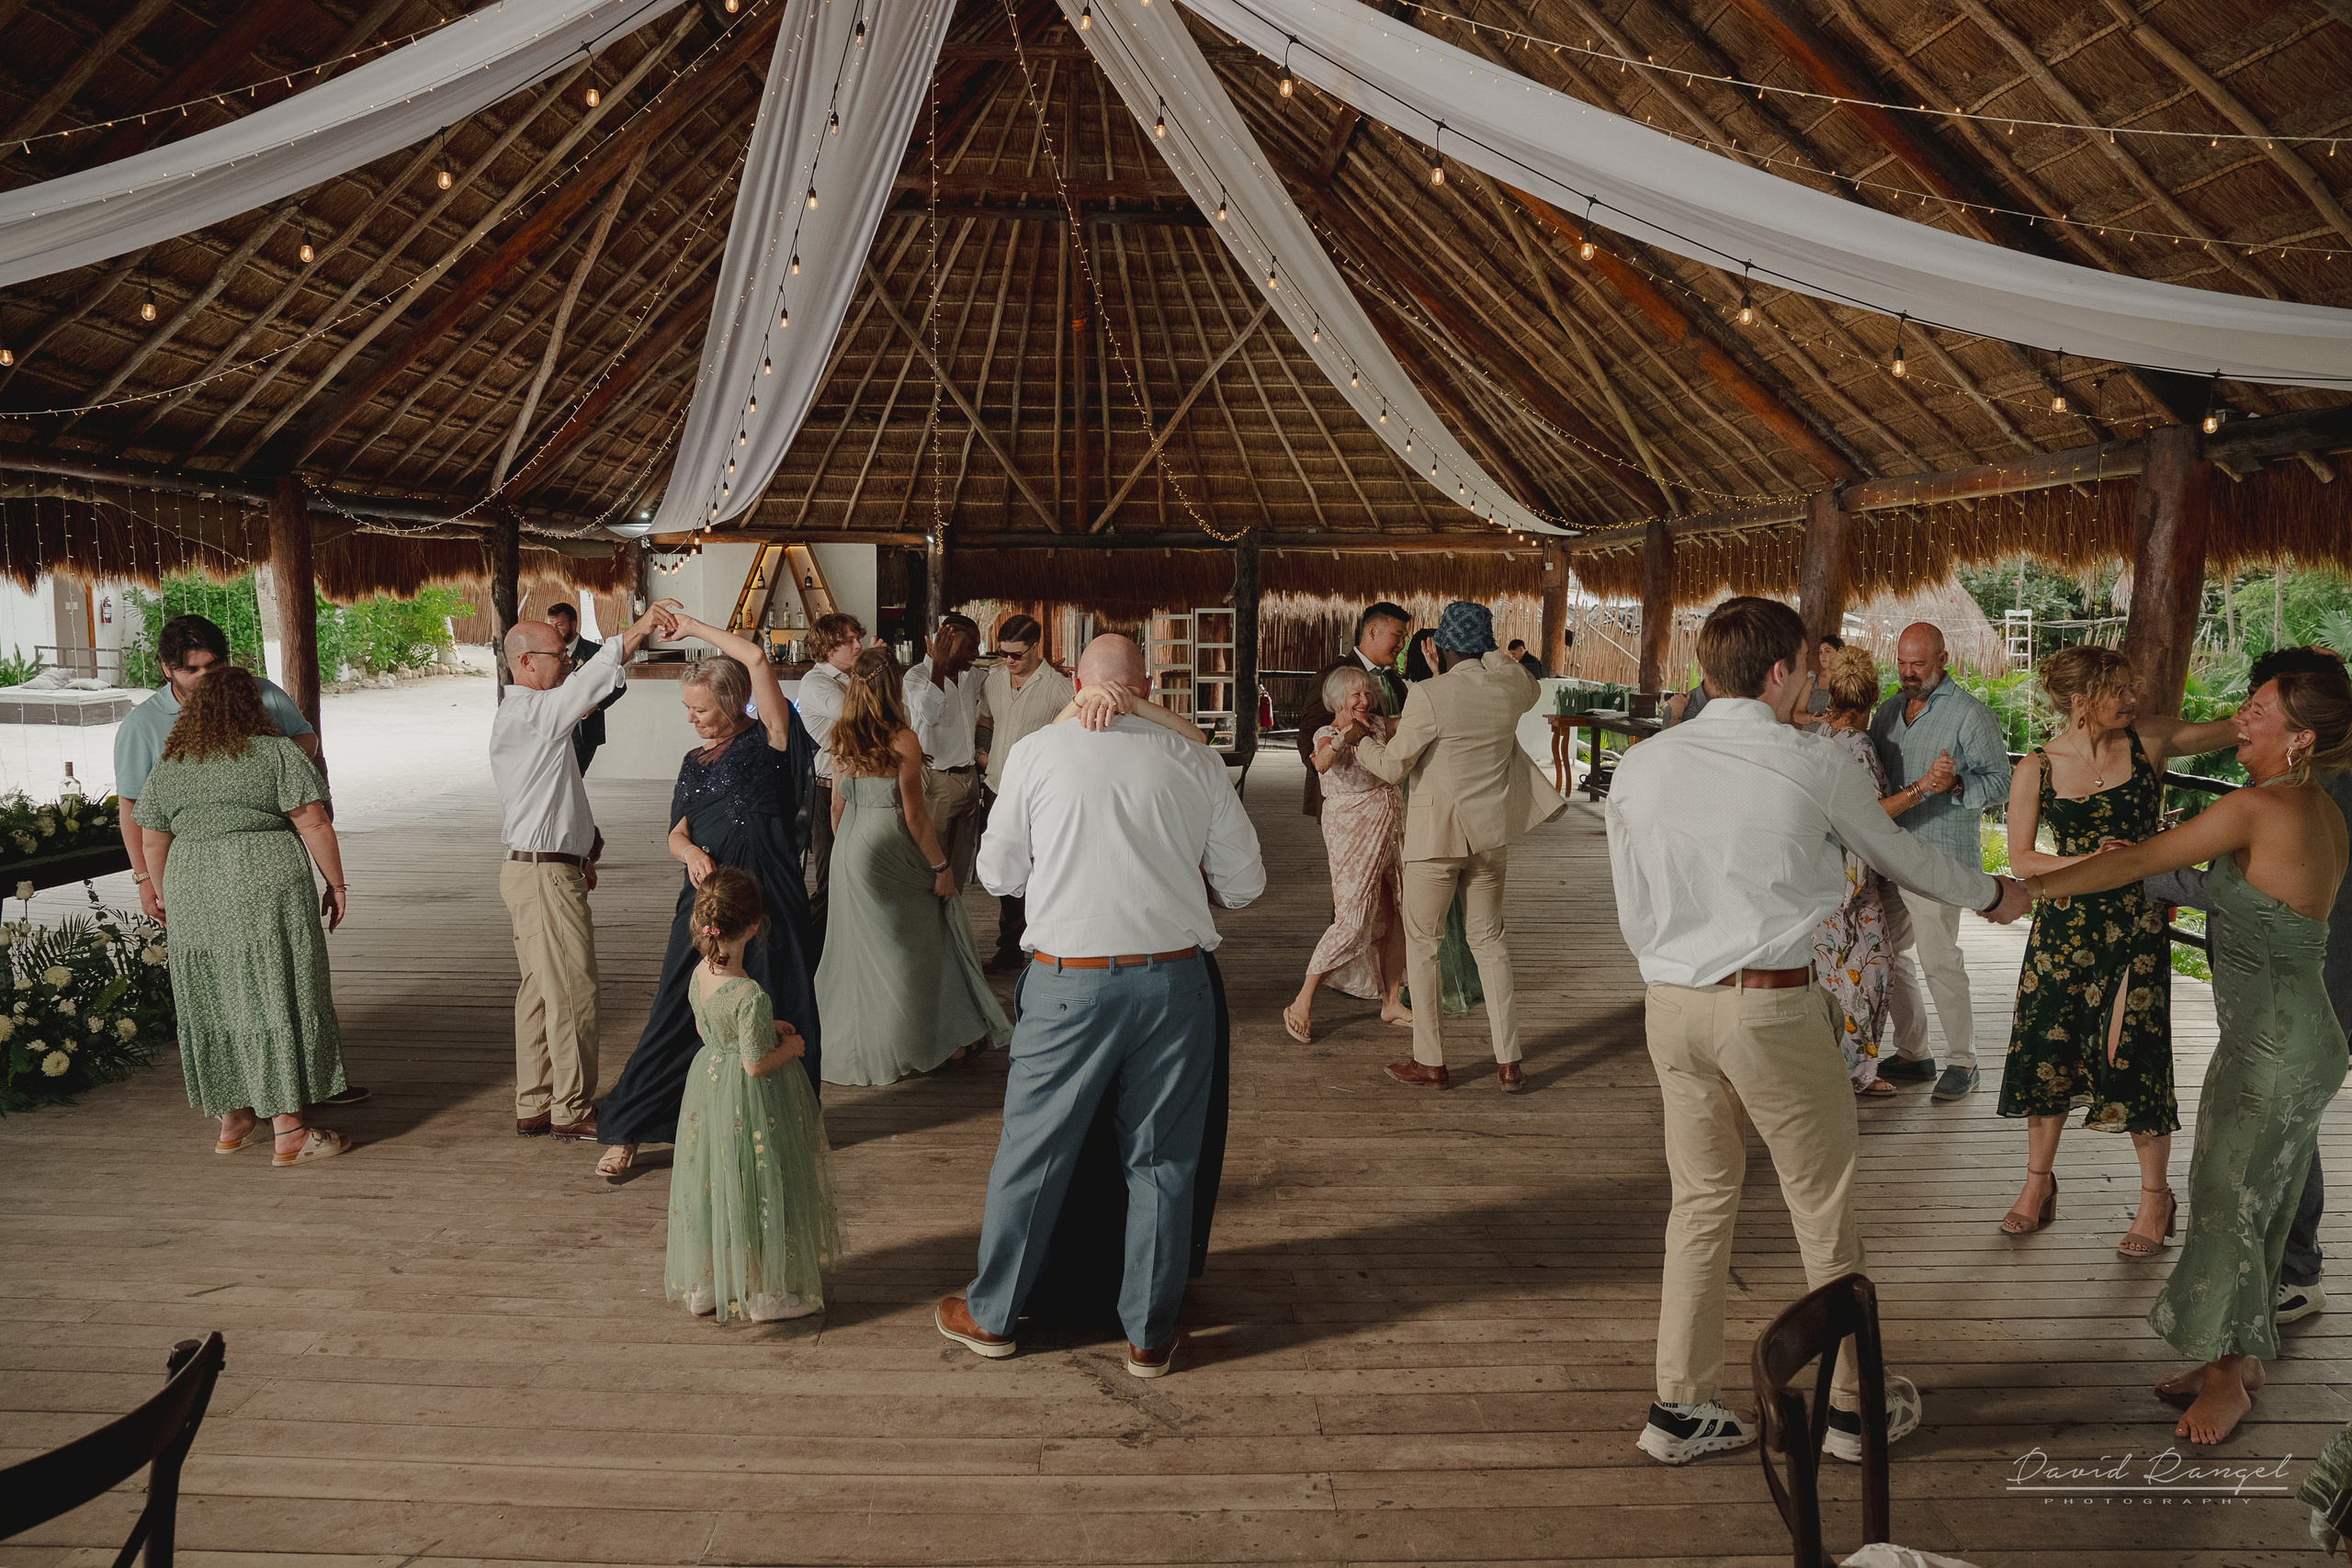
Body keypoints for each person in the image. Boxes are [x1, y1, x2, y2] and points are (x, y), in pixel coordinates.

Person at [1609, 596, 2032, 1466]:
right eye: (1804, 667)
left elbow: (1634, 894)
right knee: (1821, 1200)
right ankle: (1850, 1410)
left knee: (1698, 1204)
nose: (1810, 681)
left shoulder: (1642, 764)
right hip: (1769, 1006)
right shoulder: (1810, 761)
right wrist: (1992, 892)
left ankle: (1682, 1408)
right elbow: (1899, 856)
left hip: (1670, 1007)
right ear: (1777, 672)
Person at [2023, 667, 2352, 1446]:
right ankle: (2239, 1357)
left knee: (2229, 1199)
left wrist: (2028, 892)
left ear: (2300, 737)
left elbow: (2140, 866)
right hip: (2279, 1035)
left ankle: (2227, 1376)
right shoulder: (2308, 805)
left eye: (2258, 711)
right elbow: (2218, 884)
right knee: (2254, 1199)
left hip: (2279, 1043)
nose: (2239, 718)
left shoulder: (2260, 805)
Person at [936, 635, 1265, 1377]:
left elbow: (997, 874)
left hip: (1069, 981)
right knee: (1161, 1159)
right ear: (1144, 686)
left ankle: (994, 1317)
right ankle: (1148, 1333)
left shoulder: (1037, 756)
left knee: (1035, 1150)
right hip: (1174, 982)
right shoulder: (1192, 759)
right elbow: (1246, 885)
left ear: (1076, 685)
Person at [1996, 645, 2240, 1253]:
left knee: (2133, 1051)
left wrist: (2292, 686)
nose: (2135, 700)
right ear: (2079, 700)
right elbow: (2022, 860)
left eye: (2134, 688)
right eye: (2120, 691)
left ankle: (2155, 1197)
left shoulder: (2148, 740)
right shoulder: (2037, 767)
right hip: (2062, 926)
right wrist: (2094, 860)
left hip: (2132, 927)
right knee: (2048, 1049)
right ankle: (2037, 1183)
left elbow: (2237, 727)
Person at [2145, 645, 2352, 1325]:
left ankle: (2289, 1277)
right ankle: (2278, 1286)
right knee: (2278, 1147)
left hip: (2311, 986)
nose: (2244, 717)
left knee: (2257, 1164)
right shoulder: (2296, 790)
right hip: (2290, 992)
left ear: (2304, 723)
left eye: (2260, 703)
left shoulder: (2299, 794)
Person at [596, 613, 821, 1180]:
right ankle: (628, 1130)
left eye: (701, 708)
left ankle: (783, 1131)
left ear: (733, 703)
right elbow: (677, 832)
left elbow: (755, 658)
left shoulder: (771, 740)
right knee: (676, 1007)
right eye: (687, 709)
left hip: (771, 899)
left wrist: (692, 626)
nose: (693, 719)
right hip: (710, 900)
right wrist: (689, 854)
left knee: (783, 1004)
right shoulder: (692, 764)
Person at [136, 666, 353, 1167]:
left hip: (193, 884)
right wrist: (336, 884)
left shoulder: (174, 761)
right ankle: (290, 1132)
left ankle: (233, 1121)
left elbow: (152, 836)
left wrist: (169, 894)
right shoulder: (275, 752)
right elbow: (313, 820)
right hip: (264, 881)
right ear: (252, 705)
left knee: (214, 996)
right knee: (272, 990)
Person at [1349, 601, 1564, 1091]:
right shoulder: (1511, 687)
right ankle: (1508, 1062)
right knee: (1490, 944)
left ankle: (1431, 1061)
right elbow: (1516, 675)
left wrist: (1359, 739)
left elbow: (1391, 767)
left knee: (1423, 947)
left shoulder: (1428, 694)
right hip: (1489, 837)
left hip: (1436, 840)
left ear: (1438, 647)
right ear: (1486, 645)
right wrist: (1485, 655)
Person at [492, 598, 676, 1141]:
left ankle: (535, 1100)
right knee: (572, 990)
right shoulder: (531, 713)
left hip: (541, 867)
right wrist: (641, 627)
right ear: (526, 664)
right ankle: (570, 1108)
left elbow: (556, 791)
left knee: (540, 990)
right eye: (556, 655)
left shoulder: (532, 719)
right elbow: (591, 682)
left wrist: (585, 846)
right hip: (543, 875)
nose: (566, 662)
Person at [819, 648, 1010, 1085]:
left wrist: (849, 847)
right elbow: (915, 817)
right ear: (892, 688)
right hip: (889, 845)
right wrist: (941, 867)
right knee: (919, 939)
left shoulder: (841, 734)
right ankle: (925, 1041)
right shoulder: (902, 738)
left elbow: (836, 805)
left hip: (850, 845)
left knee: (862, 949)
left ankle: (865, 1041)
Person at [663, 865, 841, 1324]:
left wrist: (763, 1030)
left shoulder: (700, 973)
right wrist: (793, 1047)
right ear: (755, 925)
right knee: (760, 1181)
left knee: (715, 1181)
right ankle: (767, 1295)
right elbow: (755, 1063)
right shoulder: (750, 993)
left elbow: (711, 1030)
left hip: (710, 1087)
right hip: (748, 1098)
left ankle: (709, 1283)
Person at [1869, 622, 2013, 1100]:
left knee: (1939, 961)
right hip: (1888, 854)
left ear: (1943, 659)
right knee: (1886, 953)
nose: (1909, 673)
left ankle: (1963, 1062)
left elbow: (2000, 783)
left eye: (1919, 664)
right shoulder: (1888, 710)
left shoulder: (1971, 715)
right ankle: (1914, 1052)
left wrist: (1953, 785)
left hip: (1938, 858)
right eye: (1903, 663)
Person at [116, 615, 321, 918]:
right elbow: (131, 807)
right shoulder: (141, 726)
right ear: (166, 669)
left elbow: (307, 739)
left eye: (212, 666)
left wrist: (264, 767)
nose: (205, 677)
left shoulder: (263, 693)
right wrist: (145, 881)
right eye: (191, 669)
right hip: (190, 875)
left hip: (270, 870)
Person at [1284, 665, 1409, 1042]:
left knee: (1400, 908)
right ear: (1337, 698)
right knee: (1353, 917)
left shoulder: (1377, 725)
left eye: (1367, 693)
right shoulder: (1327, 732)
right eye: (1355, 694)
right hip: (1352, 827)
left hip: (1390, 820)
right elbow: (1321, 762)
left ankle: (1391, 1001)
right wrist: (1343, 740)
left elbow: (1414, 722)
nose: (1364, 700)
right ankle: (1302, 1001)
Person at [1811, 647, 1901, 1096]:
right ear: (1872, 696)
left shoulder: (1823, 733)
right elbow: (1873, 812)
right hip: (1856, 881)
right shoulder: (1859, 744)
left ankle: (1829, 1064)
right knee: (1873, 969)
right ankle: (1857, 1071)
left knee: (1832, 970)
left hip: (1823, 871)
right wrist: (1923, 787)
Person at [977, 615, 1074, 971]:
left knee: (1043, 870)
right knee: (1004, 869)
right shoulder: (994, 681)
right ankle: (1009, 947)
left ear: (1036, 648)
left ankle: (1047, 947)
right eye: (1003, 653)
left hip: (1040, 794)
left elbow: (1077, 733)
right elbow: (985, 718)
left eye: (1017, 655)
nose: (1009, 661)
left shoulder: (1058, 688)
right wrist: (981, 752)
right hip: (997, 786)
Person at [1298, 603, 1409, 817]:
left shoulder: (1394, 681)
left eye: (1404, 637)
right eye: (1398, 635)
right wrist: (1323, 762)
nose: (1402, 644)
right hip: (1348, 805)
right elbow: (1308, 733)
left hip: (1391, 799)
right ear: (1373, 631)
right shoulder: (1331, 676)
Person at [903, 613, 988, 889]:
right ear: (944, 645)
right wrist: (937, 667)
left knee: (961, 864)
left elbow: (996, 675)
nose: (975, 654)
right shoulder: (915, 677)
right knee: (932, 866)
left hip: (969, 778)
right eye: (970, 647)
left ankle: (953, 924)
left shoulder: (970, 675)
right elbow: (930, 714)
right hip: (937, 781)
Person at [795, 612, 865, 939]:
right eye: (848, 640)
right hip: (825, 792)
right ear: (827, 648)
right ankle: (806, 953)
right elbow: (857, 716)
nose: (858, 645)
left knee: (855, 876)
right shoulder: (816, 682)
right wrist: (872, 675)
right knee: (831, 881)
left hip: (858, 789)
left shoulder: (851, 679)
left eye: (857, 638)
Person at [546, 603, 623, 778]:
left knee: (573, 777)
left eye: (560, 625)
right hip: (553, 724)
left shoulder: (596, 653)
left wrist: (596, 704)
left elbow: (620, 685)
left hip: (582, 730)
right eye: (551, 625)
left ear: (574, 624)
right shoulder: (545, 653)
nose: (554, 630)